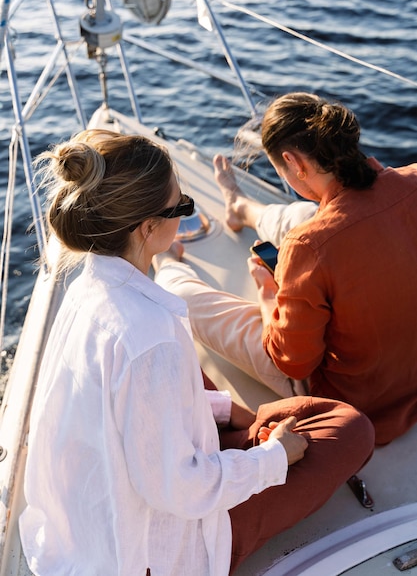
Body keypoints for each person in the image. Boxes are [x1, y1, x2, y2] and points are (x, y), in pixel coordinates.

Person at [19, 129, 374, 576]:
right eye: (182, 206)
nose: (188, 210)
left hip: (94, 517)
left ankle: (247, 433)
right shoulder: (149, 338)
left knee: (273, 409)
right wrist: (273, 459)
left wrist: (225, 411)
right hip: (165, 549)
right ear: (148, 227)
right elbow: (181, 491)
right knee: (349, 428)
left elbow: (127, 409)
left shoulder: (87, 286)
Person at [154, 92, 417, 446]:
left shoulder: (307, 248)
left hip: (357, 400)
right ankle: (242, 208)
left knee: (184, 294)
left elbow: (293, 362)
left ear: (294, 163)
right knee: (308, 213)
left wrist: (269, 295)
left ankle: (166, 261)